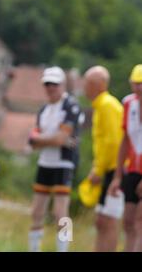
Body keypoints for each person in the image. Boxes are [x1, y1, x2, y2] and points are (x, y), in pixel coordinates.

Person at [28, 67, 82, 252]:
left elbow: (56, 138)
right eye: (47, 84)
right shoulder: (43, 109)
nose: (50, 87)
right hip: (44, 163)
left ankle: (63, 249)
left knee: (61, 214)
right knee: (36, 212)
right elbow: (34, 142)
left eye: (54, 84)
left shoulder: (71, 106)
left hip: (63, 164)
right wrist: (54, 139)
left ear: (62, 85)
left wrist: (44, 139)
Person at [83, 66, 123, 252]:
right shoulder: (101, 106)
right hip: (107, 167)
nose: (84, 88)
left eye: (88, 83)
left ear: (99, 85)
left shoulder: (107, 105)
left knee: (109, 221)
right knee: (101, 221)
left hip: (115, 169)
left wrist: (98, 170)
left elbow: (112, 142)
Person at [109, 64, 142, 252]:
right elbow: (125, 140)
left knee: (140, 221)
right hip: (132, 169)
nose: (139, 88)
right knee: (128, 221)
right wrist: (117, 176)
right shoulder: (129, 103)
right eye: (135, 84)